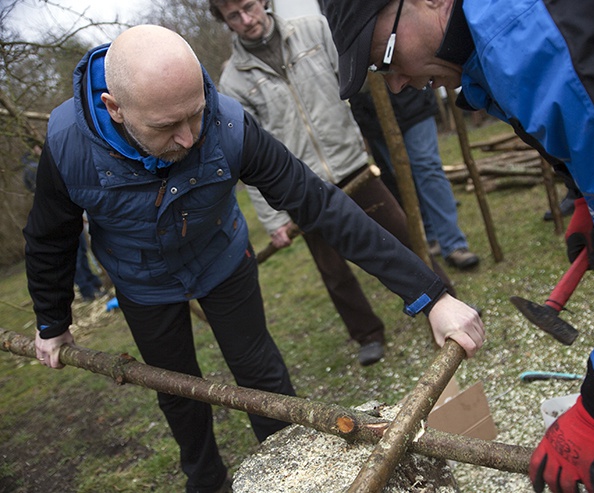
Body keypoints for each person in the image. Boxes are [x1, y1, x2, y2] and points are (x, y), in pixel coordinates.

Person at [23, 25, 484, 493]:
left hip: (222, 259)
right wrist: (51, 322)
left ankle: (289, 472)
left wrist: (430, 295)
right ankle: (205, 480)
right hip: (141, 282)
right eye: (166, 127)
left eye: (195, 115)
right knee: (175, 390)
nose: (188, 138)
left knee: (261, 375)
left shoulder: (227, 125)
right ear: (114, 108)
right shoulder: (67, 145)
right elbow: (49, 239)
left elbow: (319, 204)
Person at [319, 1, 594, 492]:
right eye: (377, 71)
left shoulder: (535, 45)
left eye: (385, 56)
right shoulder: (494, 47)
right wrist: (588, 194)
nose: (394, 83)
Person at [211, 0, 459, 366]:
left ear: (263, 1)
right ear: (226, 23)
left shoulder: (313, 30)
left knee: (403, 234)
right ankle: (367, 334)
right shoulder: (234, 80)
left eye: (249, 7)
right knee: (333, 269)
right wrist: (274, 219)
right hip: (300, 184)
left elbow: (353, 80)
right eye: (234, 16)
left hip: (351, 163)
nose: (246, 20)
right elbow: (245, 152)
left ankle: (446, 300)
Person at [349, 84, 479, 269]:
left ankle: (453, 244)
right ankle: (430, 235)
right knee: (402, 176)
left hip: (410, 93)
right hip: (371, 110)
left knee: (427, 167)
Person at [22, 145, 104, 302]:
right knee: (75, 254)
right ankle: (87, 290)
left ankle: (94, 283)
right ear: (35, 148)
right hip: (58, 217)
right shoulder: (34, 169)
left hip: (65, 214)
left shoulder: (36, 166)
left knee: (81, 251)